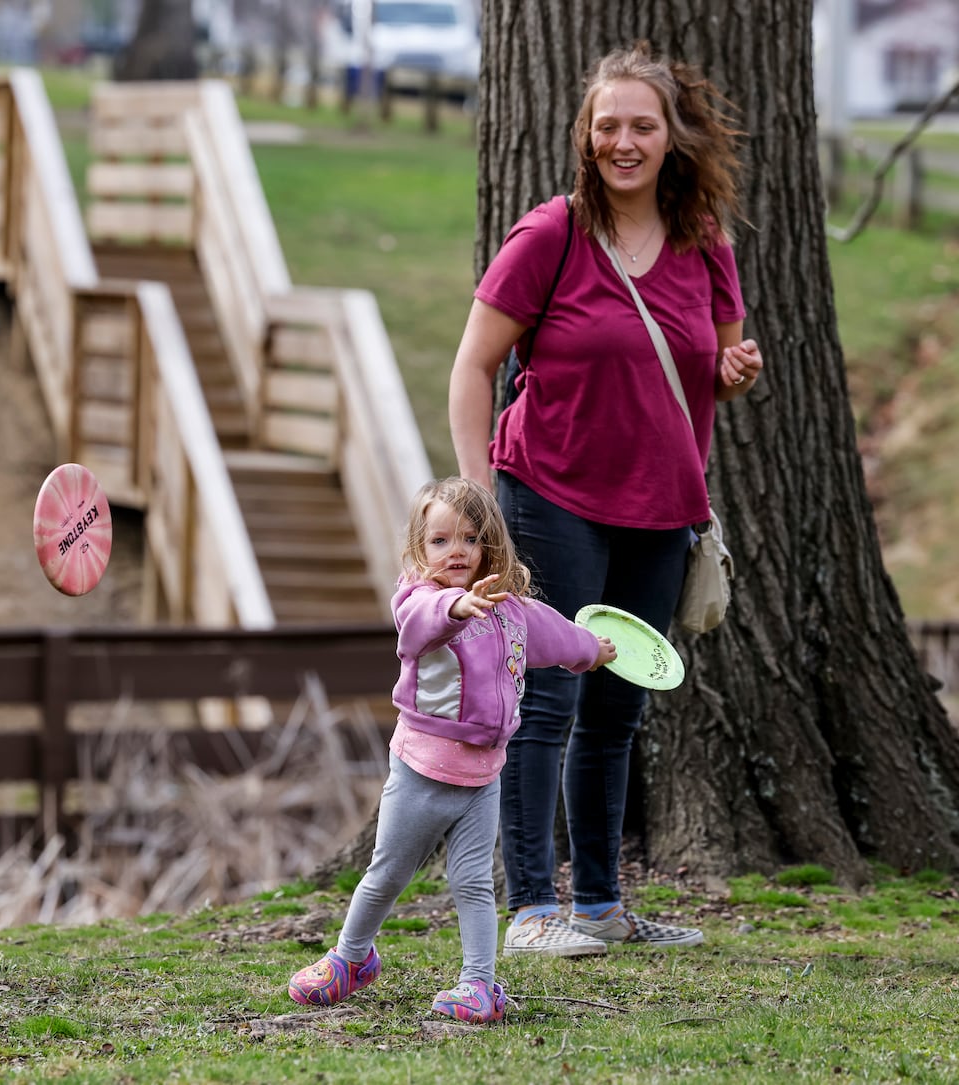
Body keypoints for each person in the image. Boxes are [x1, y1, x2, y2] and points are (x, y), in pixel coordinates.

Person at [447, 42, 766, 957]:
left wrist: (738, 373)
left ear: (672, 137)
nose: (624, 141)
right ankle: (533, 910)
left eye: (642, 125)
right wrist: (482, 502)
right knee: (546, 700)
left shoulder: (706, 238)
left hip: (664, 508)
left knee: (621, 707)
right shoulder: (550, 234)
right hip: (550, 495)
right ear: (584, 137)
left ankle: (599, 905)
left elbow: (723, 366)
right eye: (608, 126)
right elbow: (473, 366)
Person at [287, 477, 615, 1022]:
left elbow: (556, 636)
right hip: (422, 771)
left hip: (482, 779)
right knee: (388, 871)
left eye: (468, 538)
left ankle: (479, 985)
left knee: (472, 883)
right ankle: (351, 958)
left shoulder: (510, 609)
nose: (455, 551)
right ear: (419, 549)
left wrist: (593, 651)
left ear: (490, 545)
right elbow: (415, 627)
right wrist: (456, 606)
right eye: (439, 541)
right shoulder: (420, 601)